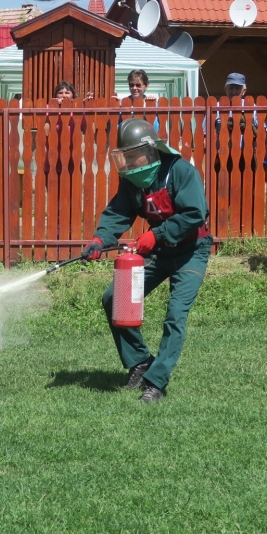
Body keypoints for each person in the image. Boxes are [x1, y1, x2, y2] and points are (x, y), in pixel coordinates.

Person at [82, 119, 211, 403]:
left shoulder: (180, 171)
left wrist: (156, 235)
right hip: (160, 252)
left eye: (133, 155)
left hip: (192, 251)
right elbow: (118, 212)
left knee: (175, 315)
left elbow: (194, 214)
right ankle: (140, 362)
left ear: (150, 150)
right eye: (124, 156)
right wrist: (100, 239)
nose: (128, 162)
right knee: (114, 297)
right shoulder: (132, 179)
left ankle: (156, 382)